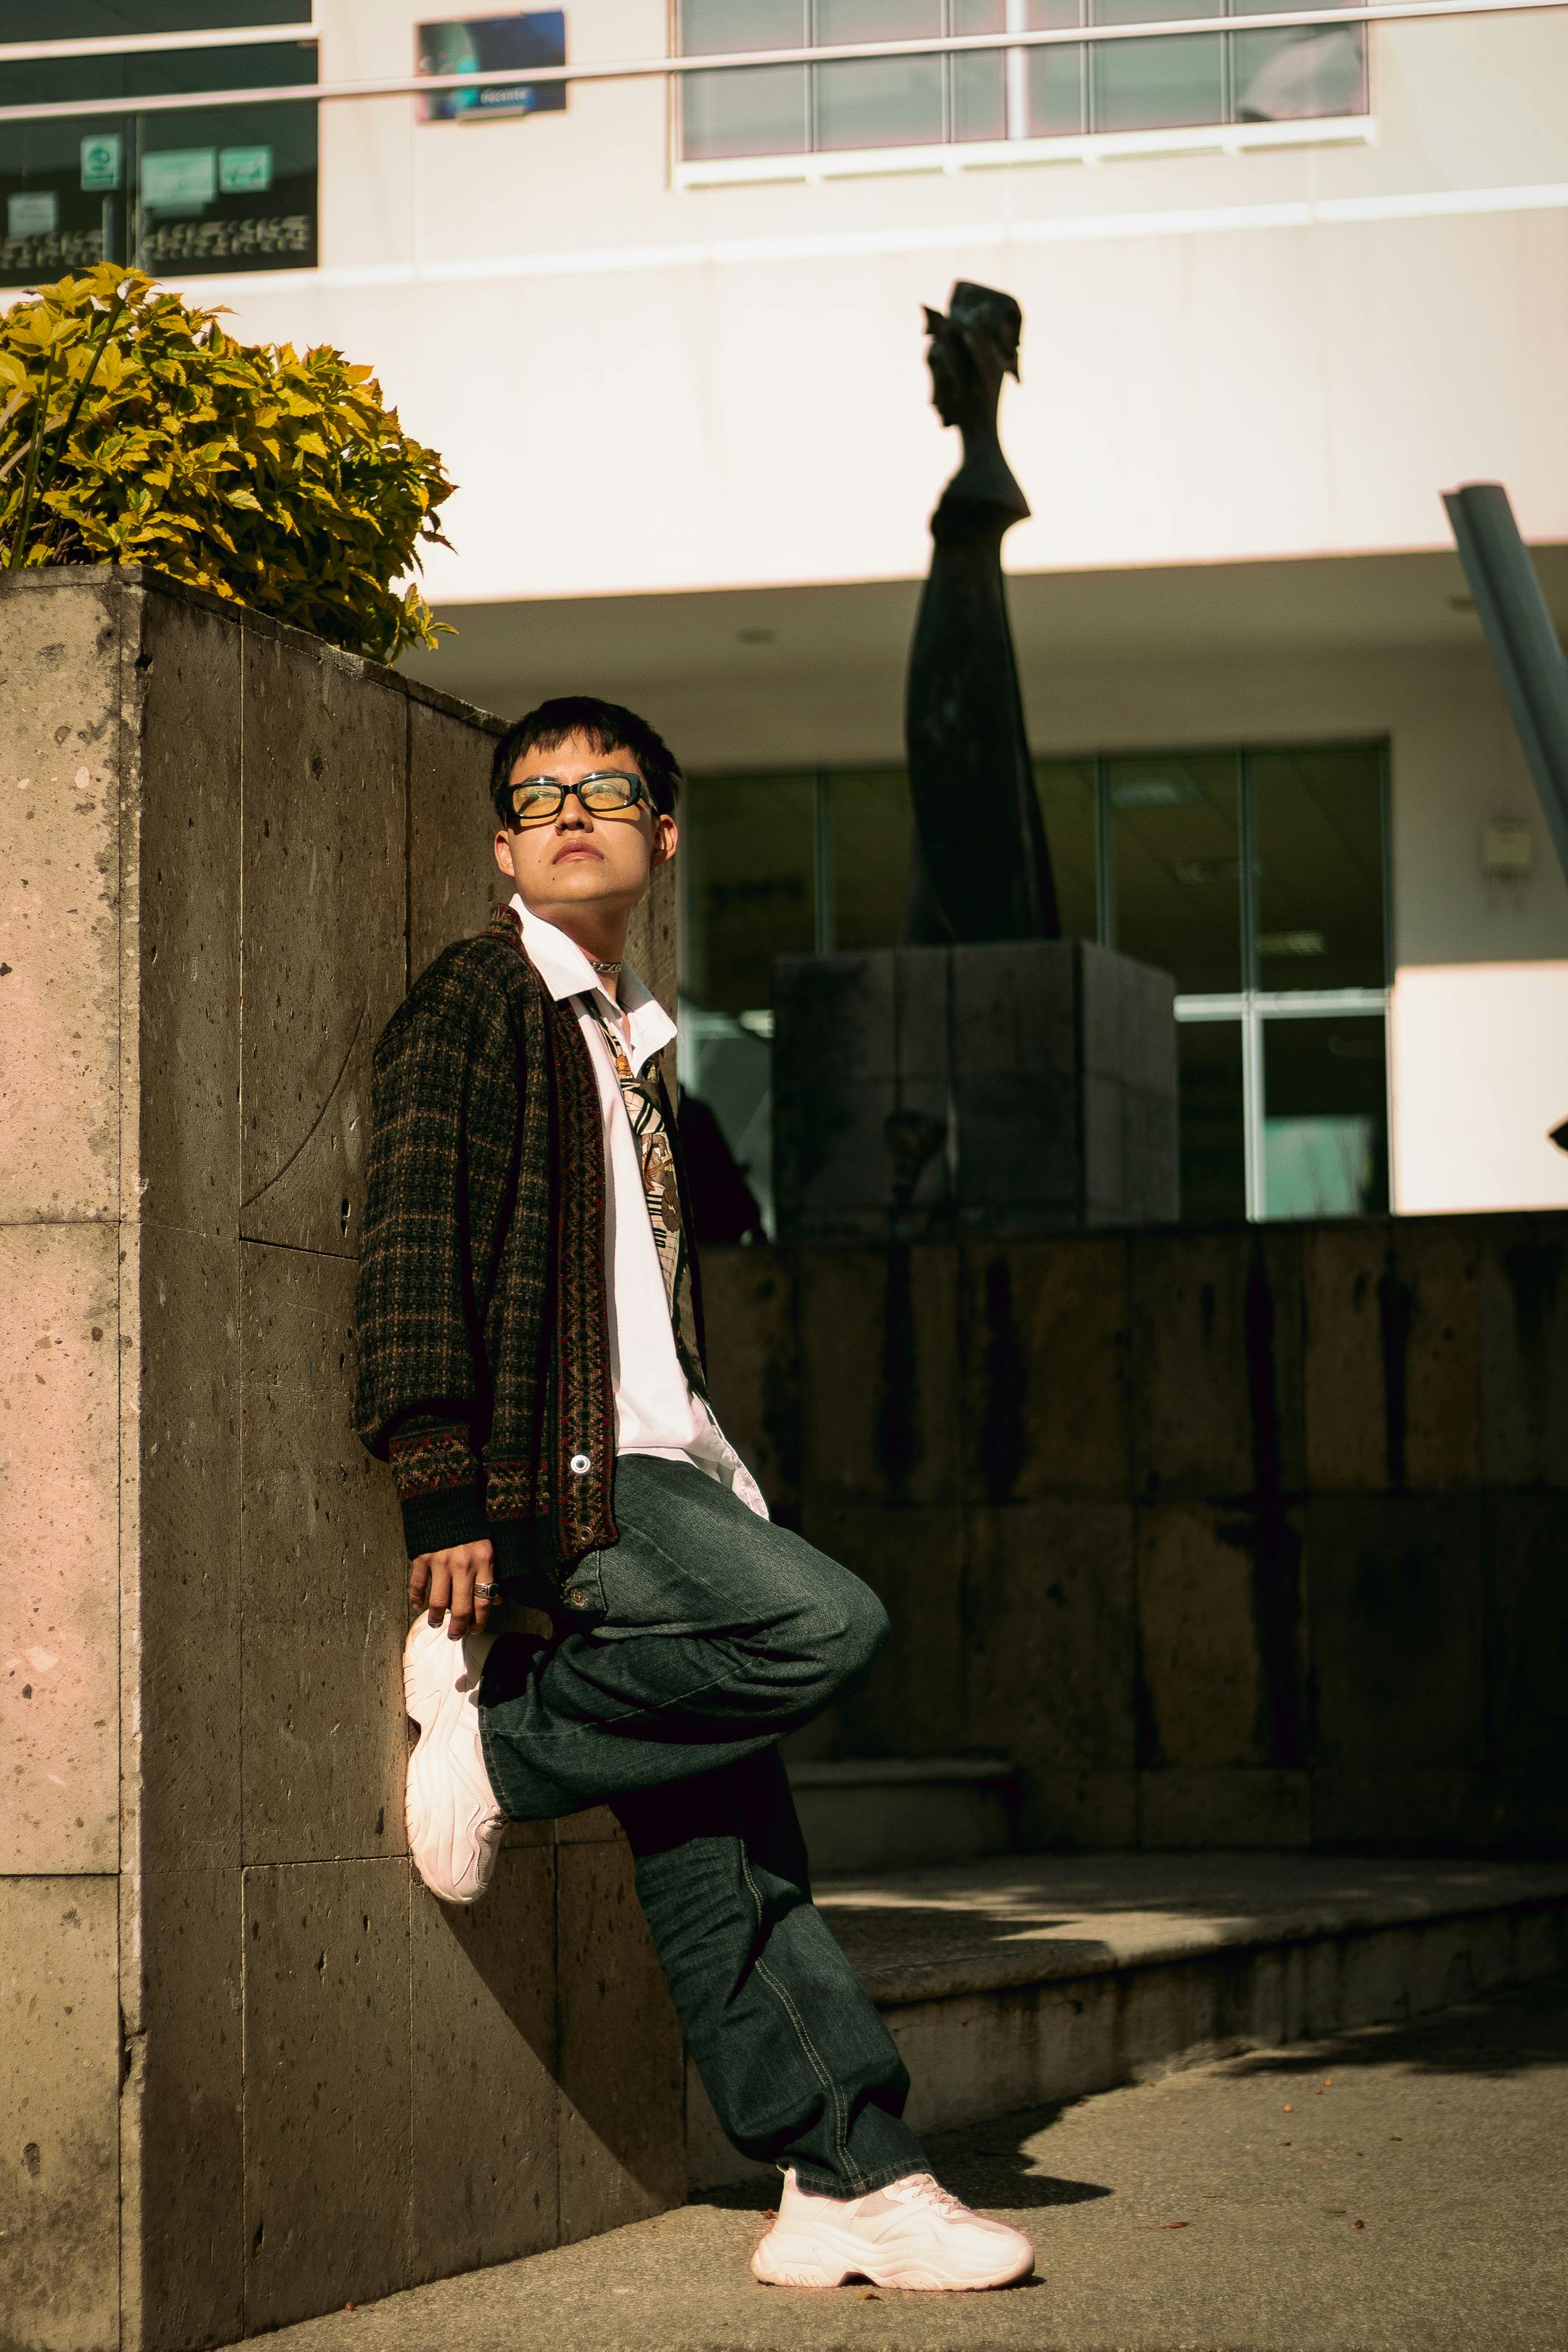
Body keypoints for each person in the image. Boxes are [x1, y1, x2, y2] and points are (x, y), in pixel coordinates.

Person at [353, 695, 1034, 2295]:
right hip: (573, 1483)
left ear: (664, 832)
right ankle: (509, 1748)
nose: (571, 809)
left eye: (609, 789)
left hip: (676, 1467)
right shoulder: (482, 999)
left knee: (726, 1834)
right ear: (504, 846)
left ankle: (844, 2175)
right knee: (827, 1626)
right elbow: (404, 1237)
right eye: (538, 794)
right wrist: (439, 1482)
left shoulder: (638, 1043)